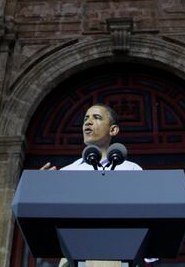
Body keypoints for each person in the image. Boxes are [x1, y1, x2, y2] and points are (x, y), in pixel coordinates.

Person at [41, 103, 152, 267]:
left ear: (113, 130)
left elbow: (146, 215)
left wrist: (149, 254)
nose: (88, 122)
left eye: (97, 117)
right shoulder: (67, 172)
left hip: (119, 255)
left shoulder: (132, 170)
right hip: (73, 257)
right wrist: (39, 189)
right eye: (86, 118)